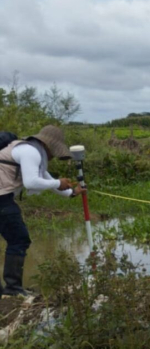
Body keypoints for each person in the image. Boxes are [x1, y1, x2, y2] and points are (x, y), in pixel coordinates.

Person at [0, 125, 82, 297]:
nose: (53, 156)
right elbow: (32, 182)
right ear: (48, 145)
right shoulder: (31, 152)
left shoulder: (27, 149)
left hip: (4, 198)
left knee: (16, 239)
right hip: (2, 200)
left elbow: (46, 178)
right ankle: (13, 289)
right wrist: (59, 183)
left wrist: (71, 193)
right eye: (54, 151)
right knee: (19, 239)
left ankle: (7, 290)